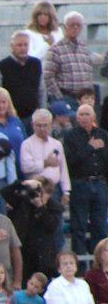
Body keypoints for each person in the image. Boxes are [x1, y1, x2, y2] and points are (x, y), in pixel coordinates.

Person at [63, 104, 108, 260]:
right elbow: (70, 162)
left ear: (93, 117)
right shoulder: (70, 136)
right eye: (81, 114)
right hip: (80, 183)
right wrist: (90, 147)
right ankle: (80, 265)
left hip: (100, 183)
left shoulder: (103, 134)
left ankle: (100, 263)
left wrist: (100, 149)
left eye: (87, 114)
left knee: (100, 226)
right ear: (77, 117)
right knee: (79, 226)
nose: (84, 117)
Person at [44, 12, 97, 105]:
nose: (75, 27)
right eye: (72, 25)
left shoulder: (84, 48)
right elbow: (48, 76)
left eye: (78, 25)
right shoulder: (55, 49)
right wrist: (60, 97)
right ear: (65, 27)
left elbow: (89, 73)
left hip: (85, 99)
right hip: (67, 97)